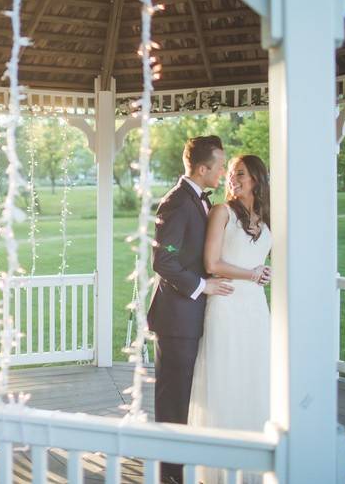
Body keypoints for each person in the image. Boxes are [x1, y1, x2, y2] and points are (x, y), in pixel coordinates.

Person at [148, 135, 234, 484]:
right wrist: (202, 286)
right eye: (221, 165)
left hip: (189, 317)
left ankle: (178, 467)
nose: (224, 171)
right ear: (203, 168)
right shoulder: (177, 203)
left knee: (184, 396)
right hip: (176, 319)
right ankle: (170, 475)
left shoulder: (196, 200)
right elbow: (163, 260)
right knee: (173, 399)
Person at [187, 155, 272, 484]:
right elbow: (212, 262)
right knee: (226, 376)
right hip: (227, 302)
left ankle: (259, 460)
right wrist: (251, 274)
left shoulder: (266, 217)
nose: (233, 178)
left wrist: (261, 275)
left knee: (256, 375)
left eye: (241, 174)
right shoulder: (222, 212)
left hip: (256, 306)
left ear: (257, 179)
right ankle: (221, 467)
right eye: (231, 172)